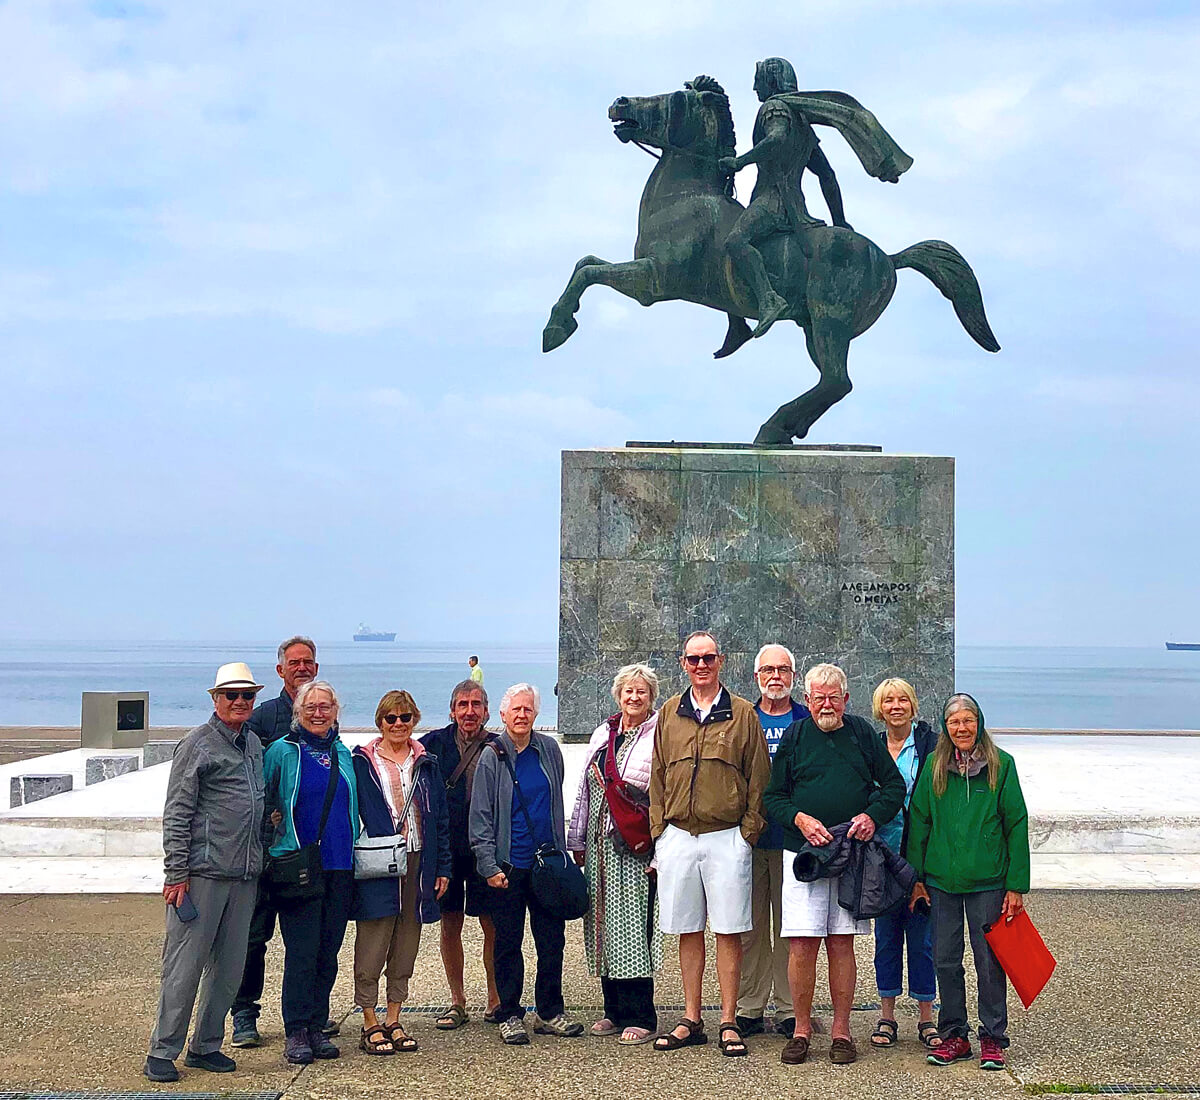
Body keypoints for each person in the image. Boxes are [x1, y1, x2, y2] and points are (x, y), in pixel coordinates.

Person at [762, 662, 905, 1066]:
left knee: (842, 944)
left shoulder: (861, 733)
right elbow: (774, 798)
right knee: (803, 945)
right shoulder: (795, 735)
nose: (827, 704)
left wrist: (871, 816)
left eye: (833, 697)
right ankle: (802, 1030)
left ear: (846, 699)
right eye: (818, 697)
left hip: (851, 854)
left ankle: (842, 1032)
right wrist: (801, 820)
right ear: (807, 701)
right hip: (804, 854)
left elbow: (893, 786)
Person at [649, 630, 771, 1058]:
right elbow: (658, 776)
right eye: (693, 659)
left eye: (708, 658)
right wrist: (659, 834)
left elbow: (759, 778)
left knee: (729, 929)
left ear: (721, 661)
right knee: (687, 928)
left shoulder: (742, 714)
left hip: (727, 838)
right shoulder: (668, 713)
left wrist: (746, 834)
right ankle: (691, 1017)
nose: (701, 665)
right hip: (679, 836)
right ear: (683, 663)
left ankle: (728, 1019)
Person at [144, 662, 266, 1082]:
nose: (239, 702)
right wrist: (176, 872)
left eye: (246, 695)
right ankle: (163, 1050)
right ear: (215, 699)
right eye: (231, 694)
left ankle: (205, 1046)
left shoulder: (253, 746)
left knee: (229, 970)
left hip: (245, 876)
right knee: (184, 967)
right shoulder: (197, 744)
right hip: (201, 876)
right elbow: (177, 813)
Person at [908, 693, 1030, 1071]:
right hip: (942, 881)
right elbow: (920, 822)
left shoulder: (1002, 765)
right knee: (945, 959)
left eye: (969, 721)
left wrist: (1016, 886)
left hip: (988, 882)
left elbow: (1016, 823)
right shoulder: (933, 765)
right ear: (946, 727)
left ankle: (993, 1037)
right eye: (955, 721)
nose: (962, 728)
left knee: (989, 962)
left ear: (979, 723)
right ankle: (954, 1036)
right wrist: (916, 879)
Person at [469, 683, 583, 1045]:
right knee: (508, 942)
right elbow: (481, 815)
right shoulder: (492, 754)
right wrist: (488, 864)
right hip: (508, 865)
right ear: (503, 715)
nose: (522, 715)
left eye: (528, 709)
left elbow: (555, 799)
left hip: (546, 864)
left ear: (536, 714)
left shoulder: (548, 749)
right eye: (515, 709)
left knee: (552, 941)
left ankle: (549, 1011)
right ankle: (509, 1012)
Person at [263, 680, 358, 1065]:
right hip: (298, 865)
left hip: (339, 865)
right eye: (311, 706)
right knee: (301, 951)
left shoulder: (343, 753)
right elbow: (264, 803)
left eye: (325, 706)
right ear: (297, 712)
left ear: (336, 711)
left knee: (328, 952)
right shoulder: (282, 752)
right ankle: (297, 1029)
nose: (318, 713)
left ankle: (319, 1024)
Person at [231, 635, 320, 1047]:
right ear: (281, 669)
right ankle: (244, 1013)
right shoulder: (263, 717)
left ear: (315, 668)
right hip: (266, 849)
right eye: (294, 662)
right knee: (254, 937)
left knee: (305, 942)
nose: (302, 668)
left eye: (308, 662)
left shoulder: (324, 716)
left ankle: (305, 1017)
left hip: (305, 850)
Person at [351, 690, 451, 1054]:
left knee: (407, 941)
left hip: (419, 861)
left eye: (405, 717)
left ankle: (394, 1016)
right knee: (373, 942)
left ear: (415, 720)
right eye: (390, 718)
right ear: (380, 721)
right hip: (379, 862)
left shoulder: (427, 762)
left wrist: (443, 867)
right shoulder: (363, 761)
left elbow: (440, 817)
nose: (398, 724)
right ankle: (369, 1019)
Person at [567, 664, 661, 1045]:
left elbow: (662, 796)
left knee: (633, 930)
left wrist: (660, 852)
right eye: (628, 691)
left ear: (651, 697)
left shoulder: (659, 735)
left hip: (633, 847)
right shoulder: (604, 733)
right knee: (603, 927)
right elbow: (584, 789)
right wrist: (576, 839)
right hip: (598, 844)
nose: (634, 697)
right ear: (617, 695)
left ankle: (642, 1014)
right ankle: (613, 1011)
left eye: (641, 691)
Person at [737, 644, 810, 1039]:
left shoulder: (807, 718)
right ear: (756, 677)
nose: (776, 676)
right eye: (768, 669)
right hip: (748, 839)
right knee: (750, 927)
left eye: (783, 669)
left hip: (792, 842)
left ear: (793, 677)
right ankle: (749, 1007)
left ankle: (787, 1008)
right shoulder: (742, 718)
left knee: (790, 929)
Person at [420, 680, 500, 1028]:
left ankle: (495, 999)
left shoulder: (498, 747)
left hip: (485, 848)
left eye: (476, 704)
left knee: (491, 925)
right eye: (463, 704)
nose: (470, 711)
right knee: (449, 924)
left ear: (486, 710)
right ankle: (457, 1000)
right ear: (452, 710)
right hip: (447, 849)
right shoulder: (432, 745)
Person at [868, 677, 940, 1051]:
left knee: (923, 940)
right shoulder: (873, 747)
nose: (896, 706)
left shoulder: (929, 746)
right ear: (880, 708)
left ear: (913, 705)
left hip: (920, 858)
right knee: (886, 939)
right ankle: (887, 1014)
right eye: (889, 700)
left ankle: (927, 1017)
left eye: (903, 700)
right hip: (883, 860)